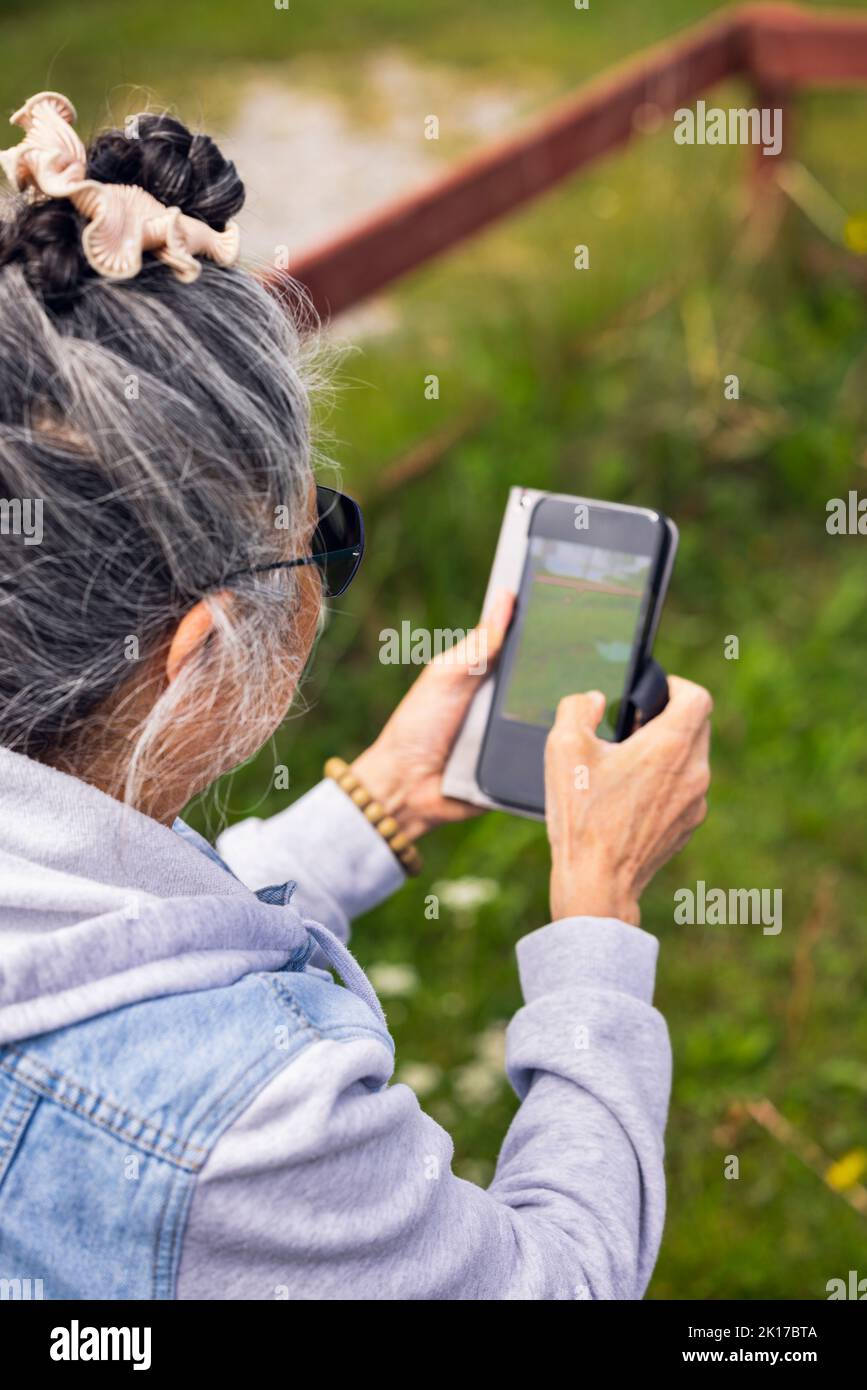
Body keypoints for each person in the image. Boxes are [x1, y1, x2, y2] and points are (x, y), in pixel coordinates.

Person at [0, 93, 712, 1301]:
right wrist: (599, 915)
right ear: (203, 654)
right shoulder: (251, 1124)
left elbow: (93, 936)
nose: (324, 580)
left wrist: (381, 801)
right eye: (321, 539)